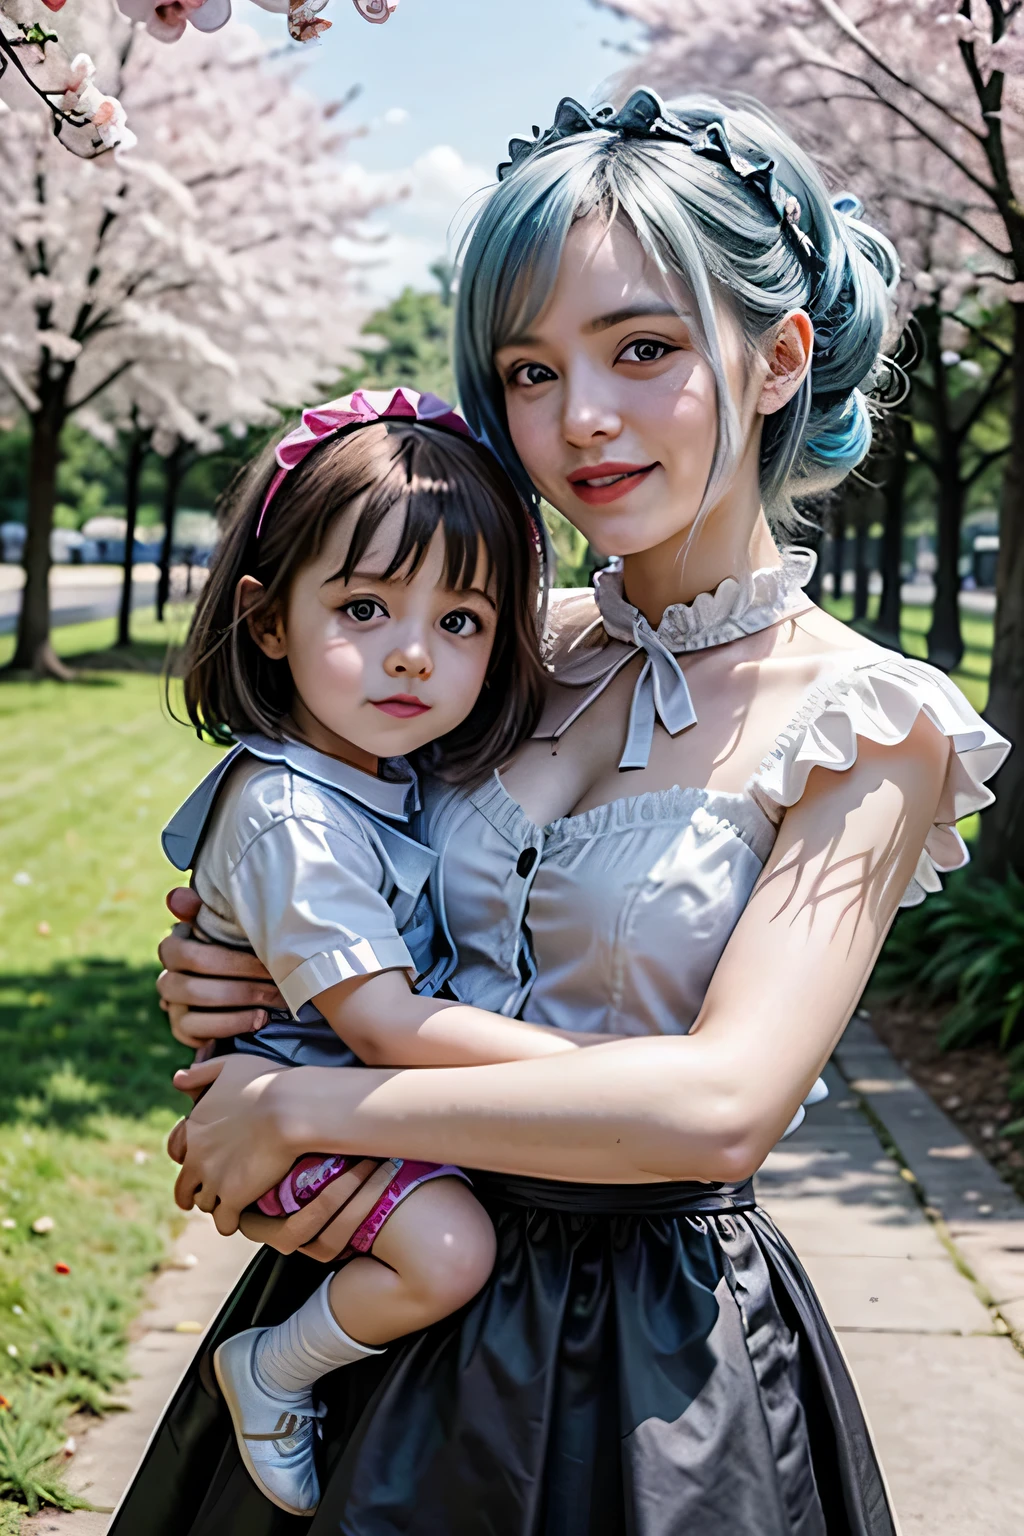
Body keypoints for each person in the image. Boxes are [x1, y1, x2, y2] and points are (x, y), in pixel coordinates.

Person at [117, 91, 1009, 1535]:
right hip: (373, 1290)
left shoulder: (869, 722)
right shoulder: (484, 641)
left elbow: (719, 1109)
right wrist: (227, 976)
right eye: (530, 371)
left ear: (778, 356)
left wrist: (303, 1104)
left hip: (646, 1365)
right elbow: (317, 863)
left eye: (644, 349)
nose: (581, 418)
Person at [160, 386, 623, 1516]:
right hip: (308, 1101)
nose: (412, 657)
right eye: (363, 610)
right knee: (452, 1252)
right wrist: (593, 1072)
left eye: (459, 623)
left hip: (349, 1092)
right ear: (268, 622)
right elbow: (380, 1025)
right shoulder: (292, 814)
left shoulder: (379, 770)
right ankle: (276, 1368)